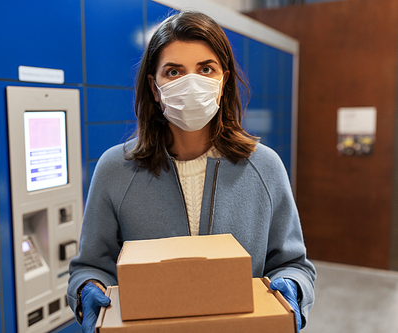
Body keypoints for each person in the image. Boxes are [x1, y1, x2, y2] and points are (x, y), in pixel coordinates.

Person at [67, 11, 316, 333]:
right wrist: (88, 288)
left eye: (205, 69)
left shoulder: (264, 167)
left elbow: (294, 264)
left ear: (223, 80)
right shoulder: (116, 169)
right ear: (154, 87)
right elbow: (91, 266)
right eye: (173, 72)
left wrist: (291, 288)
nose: (190, 84)